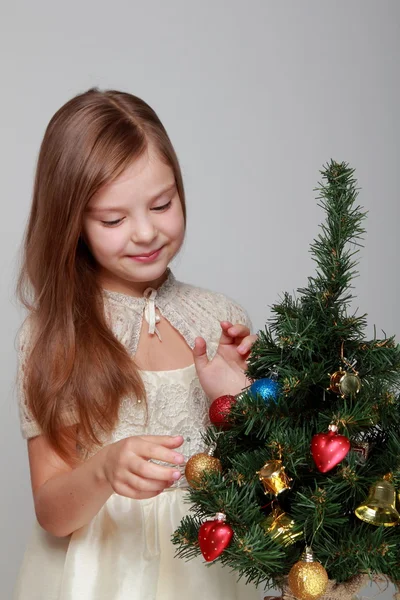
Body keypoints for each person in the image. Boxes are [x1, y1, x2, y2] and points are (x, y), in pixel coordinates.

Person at [13, 87, 260, 600]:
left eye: (162, 204)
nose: (146, 233)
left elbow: (262, 483)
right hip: (98, 577)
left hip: (207, 572)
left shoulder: (221, 320)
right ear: (73, 225)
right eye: (113, 219)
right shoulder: (54, 336)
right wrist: (104, 468)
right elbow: (53, 513)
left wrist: (240, 399)